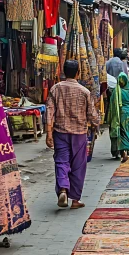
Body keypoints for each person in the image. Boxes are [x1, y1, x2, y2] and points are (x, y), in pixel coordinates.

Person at [46, 60, 101, 209]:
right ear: (78, 73)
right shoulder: (84, 92)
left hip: (60, 132)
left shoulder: (55, 89)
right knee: (78, 166)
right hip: (79, 134)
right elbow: (92, 115)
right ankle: (75, 200)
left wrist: (49, 133)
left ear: (64, 72)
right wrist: (97, 124)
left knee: (61, 161)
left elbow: (49, 112)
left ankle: (63, 188)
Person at [108, 72, 129, 162]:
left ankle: (121, 151)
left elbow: (112, 105)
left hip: (120, 114)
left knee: (121, 132)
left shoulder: (116, 92)